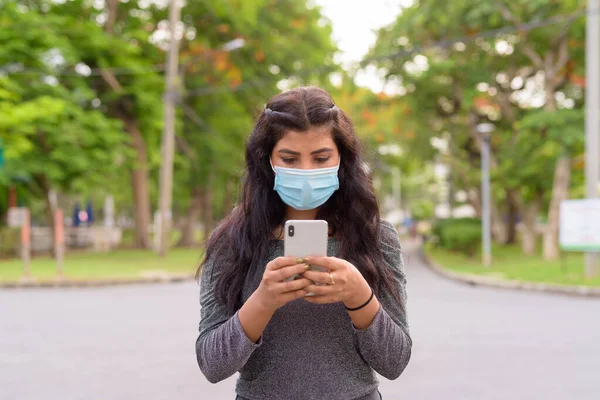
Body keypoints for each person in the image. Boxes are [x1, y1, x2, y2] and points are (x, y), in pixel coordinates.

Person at [196, 86, 411, 400]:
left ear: (342, 159)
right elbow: (212, 364)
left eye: (321, 157)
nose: (306, 171)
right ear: (267, 159)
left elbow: (395, 362)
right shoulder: (232, 240)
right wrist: (263, 301)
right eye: (290, 158)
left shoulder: (375, 236)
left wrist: (359, 294)